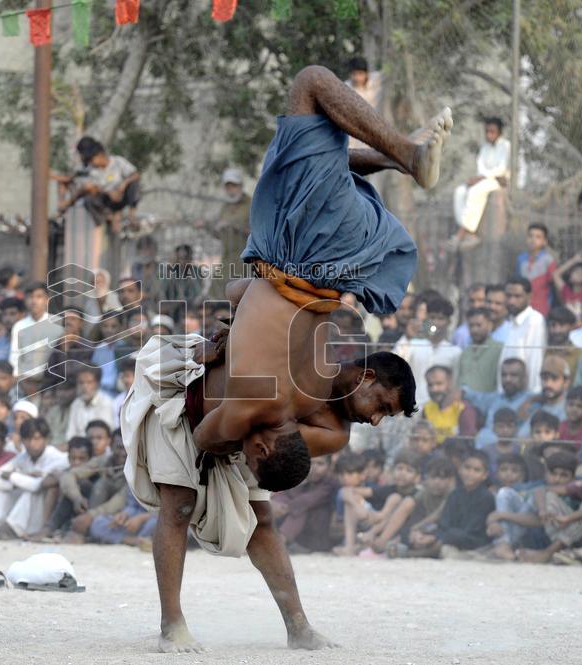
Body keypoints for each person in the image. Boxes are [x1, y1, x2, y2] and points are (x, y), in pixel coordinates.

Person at [123, 64, 451, 653]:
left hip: (291, 277)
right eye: (380, 404)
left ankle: (298, 626)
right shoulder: (315, 375)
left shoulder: (315, 411)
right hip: (291, 277)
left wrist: (236, 360)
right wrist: (231, 337)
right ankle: (173, 622)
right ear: (367, 375)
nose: (375, 417)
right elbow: (237, 305)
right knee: (177, 508)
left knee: (261, 521)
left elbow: (239, 315)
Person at [0, 418, 69, 539]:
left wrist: (13, 476)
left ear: (46, 439)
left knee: (31, 491)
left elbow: (37, 485)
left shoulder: (58, 458)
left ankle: (11, 529)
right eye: (27, 439)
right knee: (4, 490)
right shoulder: (23, 457)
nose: (32, 444)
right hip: (28, 509)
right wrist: (19, 481)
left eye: (37, 439)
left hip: (46, 511)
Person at [451, 117, 510, 247]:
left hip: (498, 181)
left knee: (475, 191)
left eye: (492, 131)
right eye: (487, 131)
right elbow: (481, 167)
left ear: (499, 132)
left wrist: (482, 178)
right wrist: (479, 178)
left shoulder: (505, 145)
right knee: (460, 191)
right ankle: (467, 231)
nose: (489, 134)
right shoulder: (485, 148)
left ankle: (462, 233)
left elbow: (501, 169)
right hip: (484, 178)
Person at [429, 450, 495, 557]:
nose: (470, 473)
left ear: (484, 475)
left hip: (475, 544)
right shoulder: (454, 495)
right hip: (452, 539)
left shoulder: (486, 497)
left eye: (476, 470)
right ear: (460, 469)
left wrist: (442, 537)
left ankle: (411, 554)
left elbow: (473, 531)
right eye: (467, 468)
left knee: (445, 548)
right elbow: (444, 524)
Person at [270, 455, 338, 553]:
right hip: (301, 533)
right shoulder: (305, 479)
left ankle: (278, 543)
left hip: (319, 535)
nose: (314, 468)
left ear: (330, 466)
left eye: (320, 464)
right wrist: (277, 504)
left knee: (301, 509)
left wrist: (285, 507)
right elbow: (285, 494)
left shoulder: (330, 483)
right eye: (311, 463)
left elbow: (309, 500)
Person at [208, 168, 253, 298]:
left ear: (240, 186)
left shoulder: (251, 204)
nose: (231, 190)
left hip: (246, 260)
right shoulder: (225, 207)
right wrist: (210, 228)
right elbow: (220, 235)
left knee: (242, 294)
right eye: (228, 186)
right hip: (227, 258)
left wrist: (234, 226)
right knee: (217, 291)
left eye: (234, 186)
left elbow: (258, 232)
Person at [498, 277, 546, 394]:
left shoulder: (534, 320)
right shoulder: (510, 322)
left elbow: (535, 361)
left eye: (517, 296)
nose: (511, 301)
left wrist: (532, 395)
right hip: (508, 392)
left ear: (529, 297)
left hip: (525, 395)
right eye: (508, 296)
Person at [457, 307, 502, 393]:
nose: (474, 330)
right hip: (463, 404)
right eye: (471, 326)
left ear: (490, 325)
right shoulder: (465, 352)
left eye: (478, 325)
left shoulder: (499, 349)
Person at [516, 223, 557, 316]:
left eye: (538, 237)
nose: (533, 240)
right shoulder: (520, 259)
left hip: (542, 307)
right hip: (523, 306)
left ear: (545, 241)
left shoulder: (549, 260)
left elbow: (553, 284)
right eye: (530, 236)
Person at [65, 367, 117, 438]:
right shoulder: (75, 404)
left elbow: (104, 434)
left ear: (97, 384)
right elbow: (71, 433)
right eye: (81, 382)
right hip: (78, 446)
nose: (84, 386)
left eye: (89, 382)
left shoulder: (106, 403)